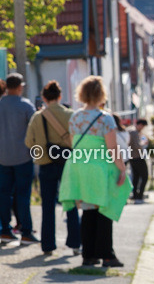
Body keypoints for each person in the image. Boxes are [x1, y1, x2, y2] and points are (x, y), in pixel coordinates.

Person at [58, 76, 130, 267]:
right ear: (101, 94)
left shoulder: (75, 117)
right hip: (100, 167)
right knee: (104, 210)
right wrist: (121, 169)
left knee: (88, 211)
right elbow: (112, 147)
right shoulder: (105, 118)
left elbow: (73, 143)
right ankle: (107, 254)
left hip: (80, 166)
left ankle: (88, 255)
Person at [23, 80, 80, 254]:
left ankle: (48, 246)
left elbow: (29, 142)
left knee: (47, 205)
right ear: (60, 96)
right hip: (67, 164)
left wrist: (40, 154)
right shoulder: (71, 115)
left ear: (44, 98)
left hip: (46, 165)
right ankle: (75, 244)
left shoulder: (38, 117)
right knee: (70, 202)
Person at [0, 73, 37, 244]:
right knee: (23, 194)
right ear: (20, 86)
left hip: (2, 157)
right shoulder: (26, 106)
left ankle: (5, 230)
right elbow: (35, 130)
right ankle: (26, 231)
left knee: (3, 194)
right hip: (23, 156)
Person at [127, 118, 150, 203]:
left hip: (132, 157)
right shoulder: (134, 132)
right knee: (144, 176)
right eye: (143, 126)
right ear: (140, 125)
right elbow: (137, 145)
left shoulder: (131, 131)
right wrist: (144, 144)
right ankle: (139, 196)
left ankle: (136, 195)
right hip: (137, 157)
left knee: (136, 177)